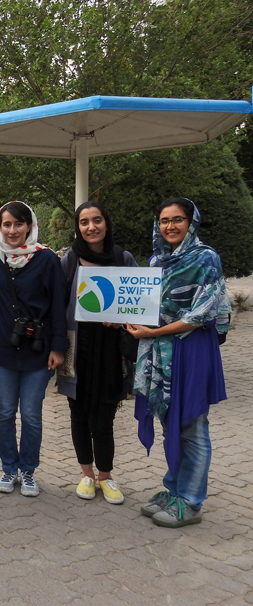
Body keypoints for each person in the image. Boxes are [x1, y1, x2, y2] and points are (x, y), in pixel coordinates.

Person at [128, 198, 230, 528]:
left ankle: (191, 500)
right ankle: (173, 490)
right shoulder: (158, 260)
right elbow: (145, 306)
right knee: (170, 420)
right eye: (164, 220)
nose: (170, 226)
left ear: (191, 222)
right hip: (161, 349)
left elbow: (203, 314)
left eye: (178, 219)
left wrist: (154, 330)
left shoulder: (205, 258)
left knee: (193, 425)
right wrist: (122, 319)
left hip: (192, 349)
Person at [0, 201, 67, 497]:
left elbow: (58, 305)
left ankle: (28, 470)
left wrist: (59, 348)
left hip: (38, 349)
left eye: (19, 224)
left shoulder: (46, 260)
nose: (12, 230)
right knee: (5, 412)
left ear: (30, 225)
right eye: (6, 224)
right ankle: (8, 468)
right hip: (4, 348)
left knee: (31, 413)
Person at [56, 202, 137, 505]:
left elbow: (139, 303)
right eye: (84, 222)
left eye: (97, 220)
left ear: (106, 222)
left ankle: (106, 476)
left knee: (104, 415)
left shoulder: (122, 258)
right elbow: (59, 304)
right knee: (78, 413)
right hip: (78, 347)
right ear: (77, 227)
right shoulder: (70, 260)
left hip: (110, 349)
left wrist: (122, 319)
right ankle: (86, 474)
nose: (91, 227)